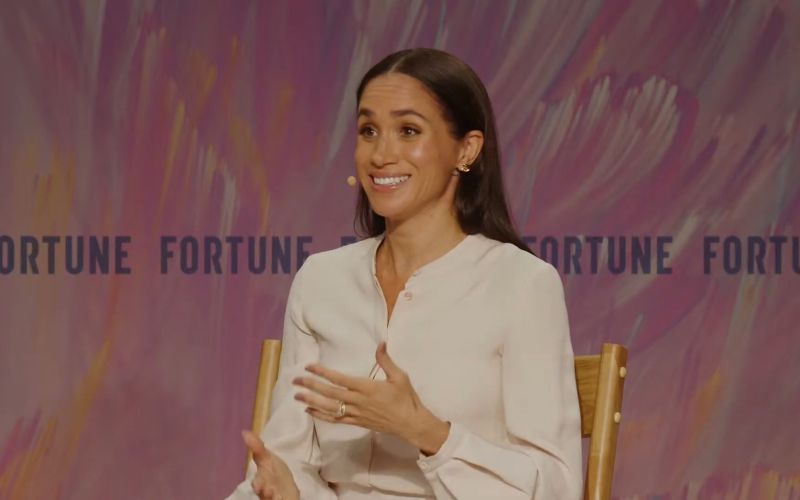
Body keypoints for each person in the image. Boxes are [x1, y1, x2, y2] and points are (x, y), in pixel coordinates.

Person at [226, 48, 582, 500]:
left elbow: (557, 487)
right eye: (368, 131)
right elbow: (290, 458)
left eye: (408, 130)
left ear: (466, 149)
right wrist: (285, 488)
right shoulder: (321, 279)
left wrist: (428, 433)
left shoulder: (523, 284)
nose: (381, 154)